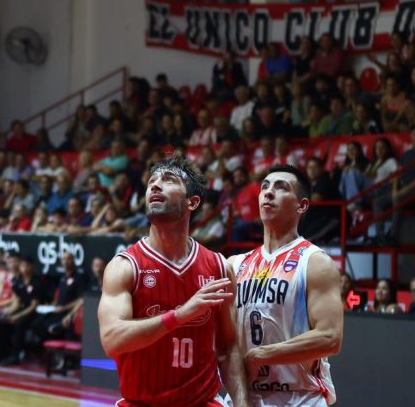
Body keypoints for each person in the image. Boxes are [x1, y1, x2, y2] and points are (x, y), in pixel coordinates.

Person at [98, 152, 248, 407]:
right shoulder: (125, 266)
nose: (155, 184)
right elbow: (112, 340)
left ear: (192, 202)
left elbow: (228, 348)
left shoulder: (219, 267)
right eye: (151, 182)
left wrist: (242, 404)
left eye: (168, 180)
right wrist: (179, 315)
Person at [231, 164, 342, 406]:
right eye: (265, 187)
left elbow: (330, 338)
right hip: (245, 397)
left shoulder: (315, 262)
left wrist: (262, 355)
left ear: (301, 205)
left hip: (300, 397)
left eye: (281, 187)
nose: (268, 192)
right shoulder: (235, 265)